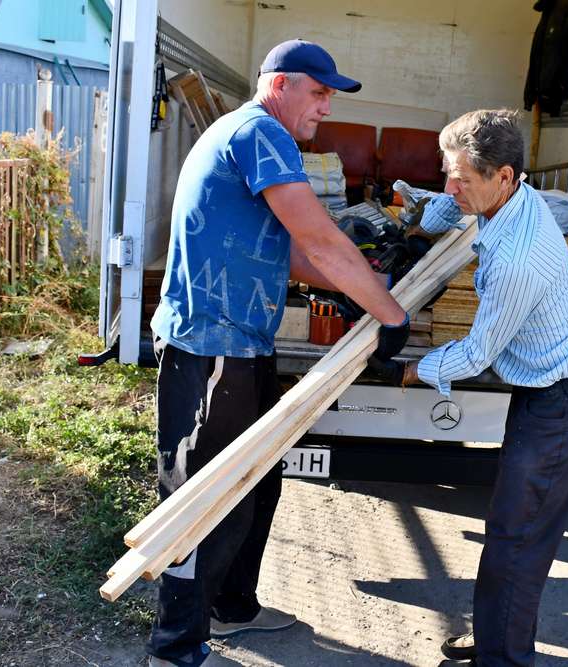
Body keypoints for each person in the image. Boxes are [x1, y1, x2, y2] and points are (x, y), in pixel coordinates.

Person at [147, 40, 410, 667]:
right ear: (282, 84)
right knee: (204, 496)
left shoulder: (253, 135)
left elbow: (287, 251)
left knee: (256, 484)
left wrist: (355, 289)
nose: (325, 108)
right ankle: (175, 648)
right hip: (209, 345)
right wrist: (389, 312)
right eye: (318, 93)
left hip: (241, 340)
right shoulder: (262, 135)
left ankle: (232, 608)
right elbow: (318, 239)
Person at [374, 109, 568, 667]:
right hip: (544, 400)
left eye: (463, 178)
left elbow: (479, 354)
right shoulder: (506, 195)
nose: (453, 186)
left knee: (517, 546)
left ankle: (501, 659)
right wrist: (416, 220)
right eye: (447, 172)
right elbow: (449, 203)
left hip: (561, 407)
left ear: (503, 176)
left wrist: (409, 371)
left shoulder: (517, 259)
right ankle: (499, 640)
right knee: (510, 538)